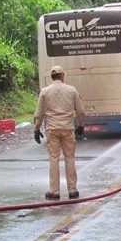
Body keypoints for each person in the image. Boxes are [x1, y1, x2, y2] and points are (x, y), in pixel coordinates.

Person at [33, 65, 86, 200]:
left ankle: (54, 191)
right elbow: (80, 111)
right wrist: (81, 124)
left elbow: (39, 113)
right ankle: (72, 189)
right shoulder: (71, 90)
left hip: (52, 129)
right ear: (62, 76)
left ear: (52, 77)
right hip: (68, 128)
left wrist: (36, 129)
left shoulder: (44, 92)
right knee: (69, 158)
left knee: (54, 159)